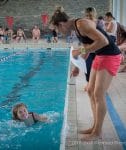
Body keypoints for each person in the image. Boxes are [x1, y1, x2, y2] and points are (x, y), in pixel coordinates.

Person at [50, 7, 121, 141]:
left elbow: (103, 41)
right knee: (89, 90)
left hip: (110, 56)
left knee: (98, 94)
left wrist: (79, 50)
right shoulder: (76, 28)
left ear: (61, 24)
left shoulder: (81, 24)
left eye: (57, 30)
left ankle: (97, 132)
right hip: (100, 56)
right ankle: (95, 127)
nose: (59, 33)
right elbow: (88, 47)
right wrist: (77, 66)